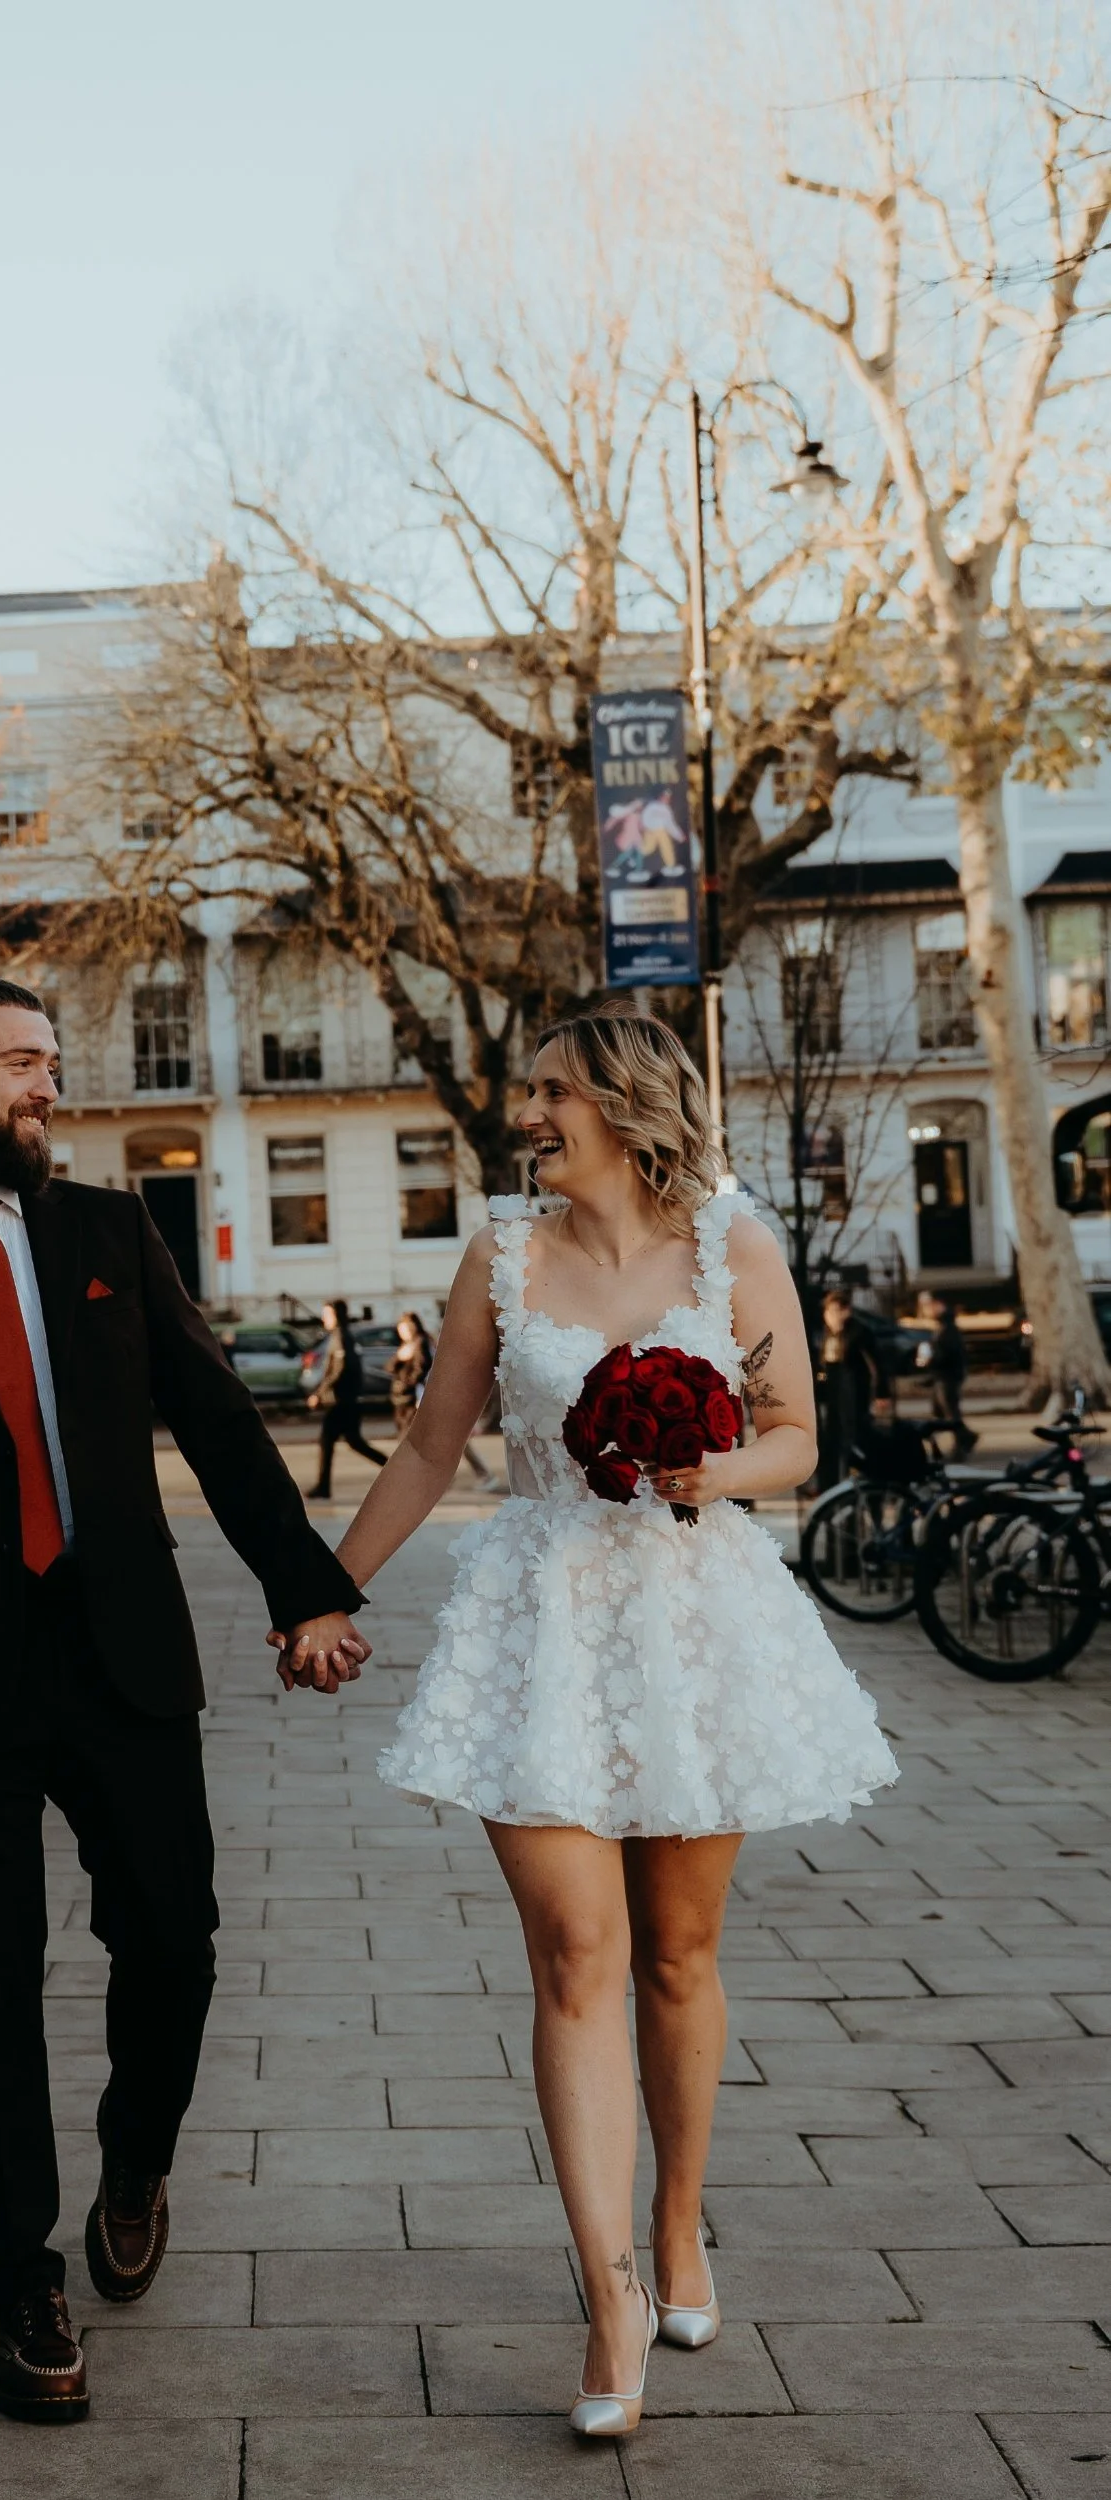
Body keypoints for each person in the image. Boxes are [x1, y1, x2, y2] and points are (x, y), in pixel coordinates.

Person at [0, 974, 367, 2426]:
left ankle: (136, 2154)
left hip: (123, 1656)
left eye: (50, 1062)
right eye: (20, 1061)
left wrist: (306, 1588)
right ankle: (19, 2288)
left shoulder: (105, 1229)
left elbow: (216, 1417)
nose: (48, 1086)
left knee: (174, 1934)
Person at [285, 1012, 897, 2441]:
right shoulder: (499, 1255)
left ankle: (679, 2225)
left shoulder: (729, 1249)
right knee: (576, 1957)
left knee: (677, 1958)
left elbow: (799, 1436)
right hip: (539, 1619)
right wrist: (323, 1592)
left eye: (551, 1092)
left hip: (694, 1624)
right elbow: (436, 1441)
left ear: (623, 1107)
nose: (529, 1114)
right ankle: (608, 2289)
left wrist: (709, 1466)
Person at [305, 1298, 388, 1499]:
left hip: (343, 1402)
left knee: (329, 1441)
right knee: (355, 1442)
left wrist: (319, 1393)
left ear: (335, 1315)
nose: (324, 1318)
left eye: (327, 1314)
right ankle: (396, 1471)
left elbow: (341, 1369)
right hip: (345, 1401)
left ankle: (323, 1488)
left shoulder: (342, 1337)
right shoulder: (340, 1336)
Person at [814, 1286, 890, 1487]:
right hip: (833, 1389)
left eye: (836, 1311)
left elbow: (877, 1363)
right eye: (828, 1312)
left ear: (846, 1311)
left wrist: (882, 1392)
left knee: (855, 1433)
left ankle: (858, 1475)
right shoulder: (827, 1333)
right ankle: (830, 1481)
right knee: (832, 1435)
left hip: (854, 1389)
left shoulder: (859, 1331)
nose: (831, 1317)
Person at [919, 1289, 977, 1456]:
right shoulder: (944, 1325)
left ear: (938, 1305)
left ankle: (964, 1439)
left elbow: (947, 1353)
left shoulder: (948, 1327)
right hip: (943, 1375)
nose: (925, 1310)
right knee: (943, 1412)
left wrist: (930, 1359)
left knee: (950, 1412)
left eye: (927, 1306)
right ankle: (964, 1437)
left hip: (948, 1375)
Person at [388, 1311, 432, 1432]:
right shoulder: (405, 1345)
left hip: (412, 1395)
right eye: (401, 1329)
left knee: (408, 1433)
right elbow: (389, 1367)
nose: (403, 1333)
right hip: (401, 1396)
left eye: (406, 1329)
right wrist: (399, 1358)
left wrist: (407, 1384)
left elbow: (422, 1367)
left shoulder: (420, 1343)